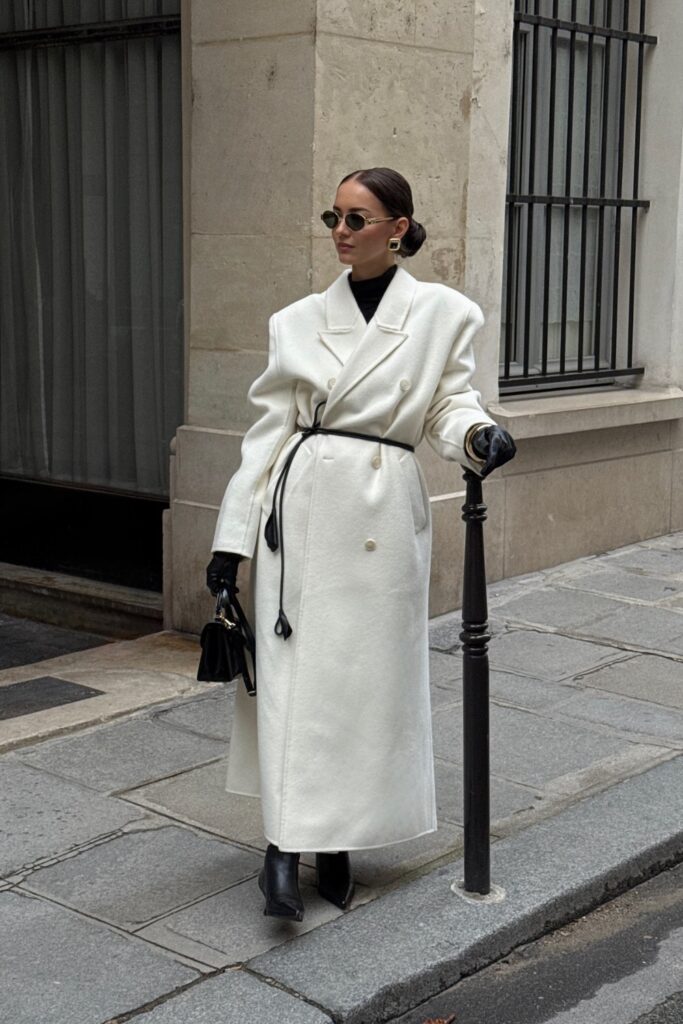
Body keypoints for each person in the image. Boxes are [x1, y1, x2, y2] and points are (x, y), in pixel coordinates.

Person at [205, 167, 516, 922]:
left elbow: (449, 403)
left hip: (380, 511)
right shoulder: (295, 321)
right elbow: (266, 436)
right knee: (291, 682)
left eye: (358, 218)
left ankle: (338, 841)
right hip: (302, 512)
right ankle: (283, 852)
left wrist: (476, 436)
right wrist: (232, 540)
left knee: (365, 690)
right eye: (333, 218)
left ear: (398, 227)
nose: (341, 232)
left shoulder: (444, 313)